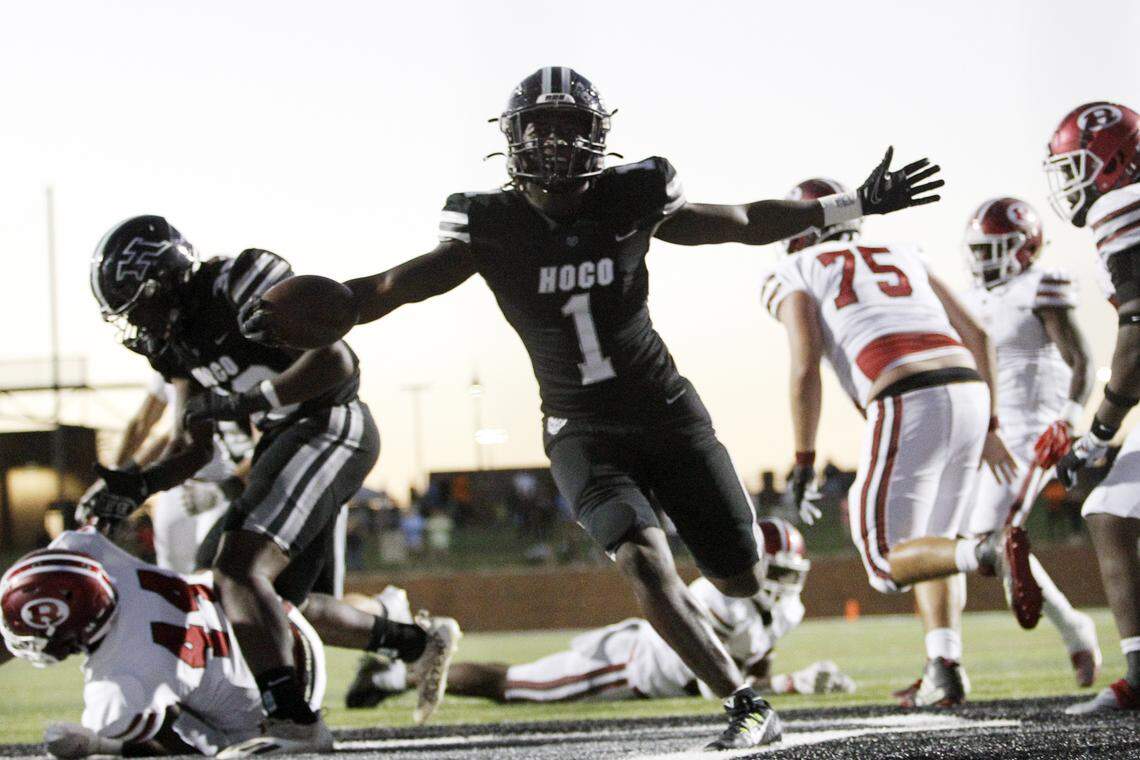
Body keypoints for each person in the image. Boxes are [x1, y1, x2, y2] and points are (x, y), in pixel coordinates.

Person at [240, 66, 943, 749]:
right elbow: (391, 287)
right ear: (512, 137)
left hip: (668, 412)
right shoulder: (488, 223)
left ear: (596, 136)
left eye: (566, 128)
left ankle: (732, 605)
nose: (550, 143)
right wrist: (302, 318)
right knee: (643, 560)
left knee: (740, 573)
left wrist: (853, 203)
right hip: (581, 429)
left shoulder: (633, 193)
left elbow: (742, 220)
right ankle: (746, 704)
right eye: (538, 128)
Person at [85, 216, 459, 755]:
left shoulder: (238, 282)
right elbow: (194, 445)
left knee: (238, 569)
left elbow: (335, 360)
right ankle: (415, 643)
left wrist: (249, 402)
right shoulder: (173, 344)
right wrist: (135, 486)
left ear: (162, 279)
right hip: (286, 439)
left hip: (333, 424)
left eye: (134, 303)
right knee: (272, 605)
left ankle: (294, 725)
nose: (133, 321)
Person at [764, 176, 1019, 708]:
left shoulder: (795, 268)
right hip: (968, 388)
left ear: (798, 229)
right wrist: (991, 426)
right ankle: (943, 670)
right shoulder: (901, 250)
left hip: (904, 392)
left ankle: (989, 549)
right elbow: (979, 335)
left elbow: (804, 362)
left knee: (884, 561)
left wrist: (805, 459)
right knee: (933, 546)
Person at [349, 518, 854, 706]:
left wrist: (776, 678)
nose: (786, 583)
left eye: (791, 572)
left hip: (658, 673)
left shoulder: (787, 610)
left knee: (516, 685)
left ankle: (396, 677)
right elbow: (716, 682)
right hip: (631, 666)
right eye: (778, 571)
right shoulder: (718, 599)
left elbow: (752, 662)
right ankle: (397, 677)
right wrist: (790, 686)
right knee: (514, 686)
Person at [0, 527, 324, 757]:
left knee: (152, 726)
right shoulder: (88, 554)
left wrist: (101, 744)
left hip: (264, 715)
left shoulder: (117, 682)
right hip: (276, 626)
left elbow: (173, 745)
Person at [957, 196, 1100, 685]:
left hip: (1035, 428)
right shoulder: (973, 298)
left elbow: (1082, 360)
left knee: (997, 539)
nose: (983, 258)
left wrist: (1070, 418)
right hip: (991, 432)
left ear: (1026, 246)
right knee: (986, 546)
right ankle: (1076, 628)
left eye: (994, 247)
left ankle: (1075, 631)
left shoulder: (1042, 286)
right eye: (978, 248)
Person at [1042, 101, 1140, 714]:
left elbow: (1137, 334)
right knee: (1109, 508)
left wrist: (1101, 430)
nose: (1070, 182)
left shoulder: (1120, 204)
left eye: (1075, 165)